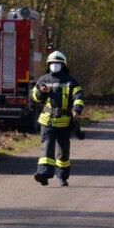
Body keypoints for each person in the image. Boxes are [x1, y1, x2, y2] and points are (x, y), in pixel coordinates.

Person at [31, 51, 84, 186]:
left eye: (58, 63)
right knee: (47, 148)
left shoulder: (71, 81)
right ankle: (43, 174)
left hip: (65, 122)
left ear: (63, 65)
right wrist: (40, 92)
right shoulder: (43, 79)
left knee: (63, 152)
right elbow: (35, 98)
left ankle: (62, 176)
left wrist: (77, 109)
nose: (55, 65)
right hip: (47, 121)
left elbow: (78, 96)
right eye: (52, 63)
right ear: (48, 65)